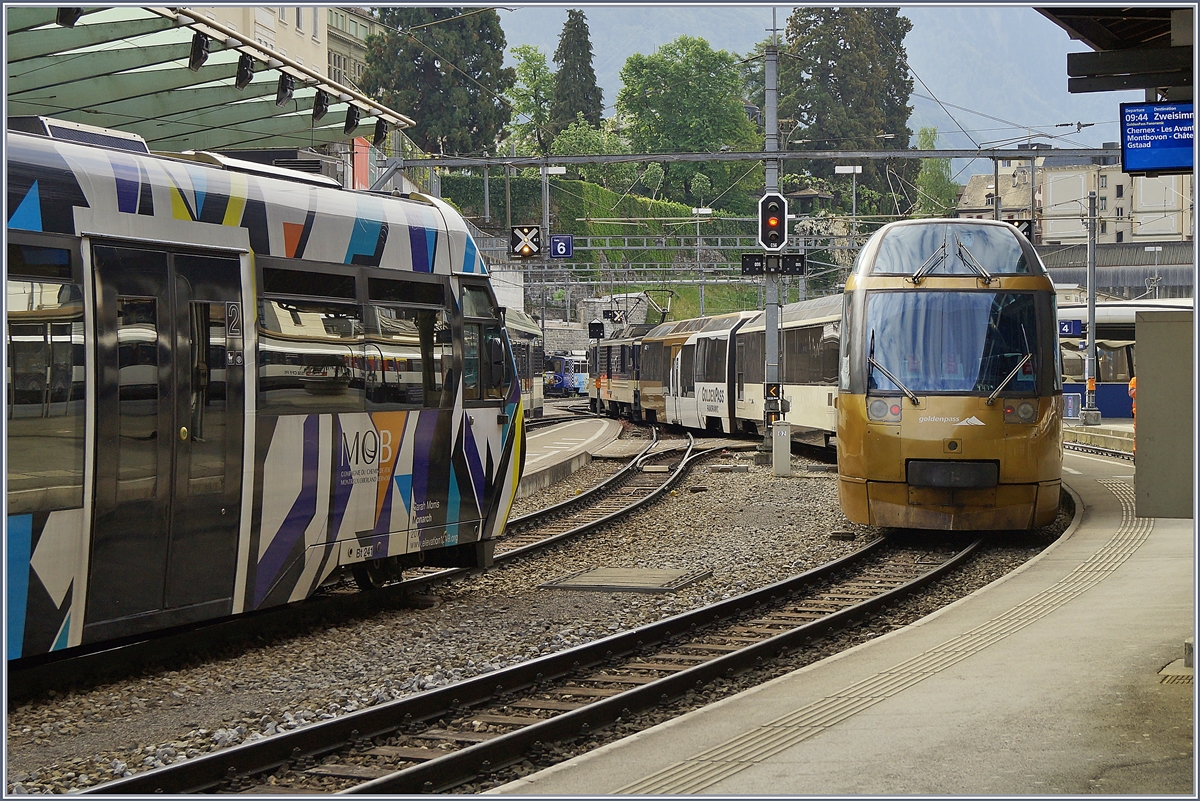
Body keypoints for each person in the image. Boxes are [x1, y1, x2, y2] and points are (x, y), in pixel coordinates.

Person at [1127, 375, 1137, 455]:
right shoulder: (1134, 380)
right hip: (1137, 412)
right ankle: (1136, 453)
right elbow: (1131, 393)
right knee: (1137, 435)